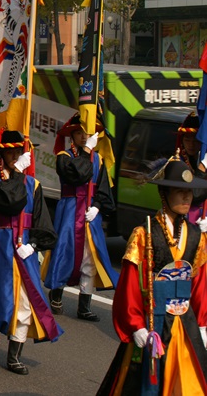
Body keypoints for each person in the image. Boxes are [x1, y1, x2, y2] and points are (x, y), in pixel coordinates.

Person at [97, 159, 207, 395]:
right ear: (164, 194)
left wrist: (203, 325)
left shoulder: (197, 236)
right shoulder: (144, 235)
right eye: (180, 192)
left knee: (190, 385)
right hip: (153, 325)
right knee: (143, 386)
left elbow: (199, 285)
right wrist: (135, 326)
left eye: (189, 192)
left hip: (185, 326)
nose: (187, 198)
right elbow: (129, 286)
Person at [0, 130, 61, 376]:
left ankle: (14, 354)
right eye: (9, 151)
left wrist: (33, 245)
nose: (14, 156)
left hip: (24, 251)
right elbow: (11, 201)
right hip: (0, 248)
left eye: (18, 151)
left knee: (25, 302)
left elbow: (45, 227)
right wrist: (18, 174)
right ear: (1, 154)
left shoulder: (34, 186)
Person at [44, 114, 118, 321]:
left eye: (87, 133)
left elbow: (103, 188)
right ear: (72, 136)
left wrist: (97, 206)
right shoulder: (64, 157)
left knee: (90, 257)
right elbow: (77, 175)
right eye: (79, 132)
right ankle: (56, 292)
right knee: (64, 251)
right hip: (70, 209)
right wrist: (86, 153)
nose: (84, 136)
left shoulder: (99, 159)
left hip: (89, 213)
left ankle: (84, 305)